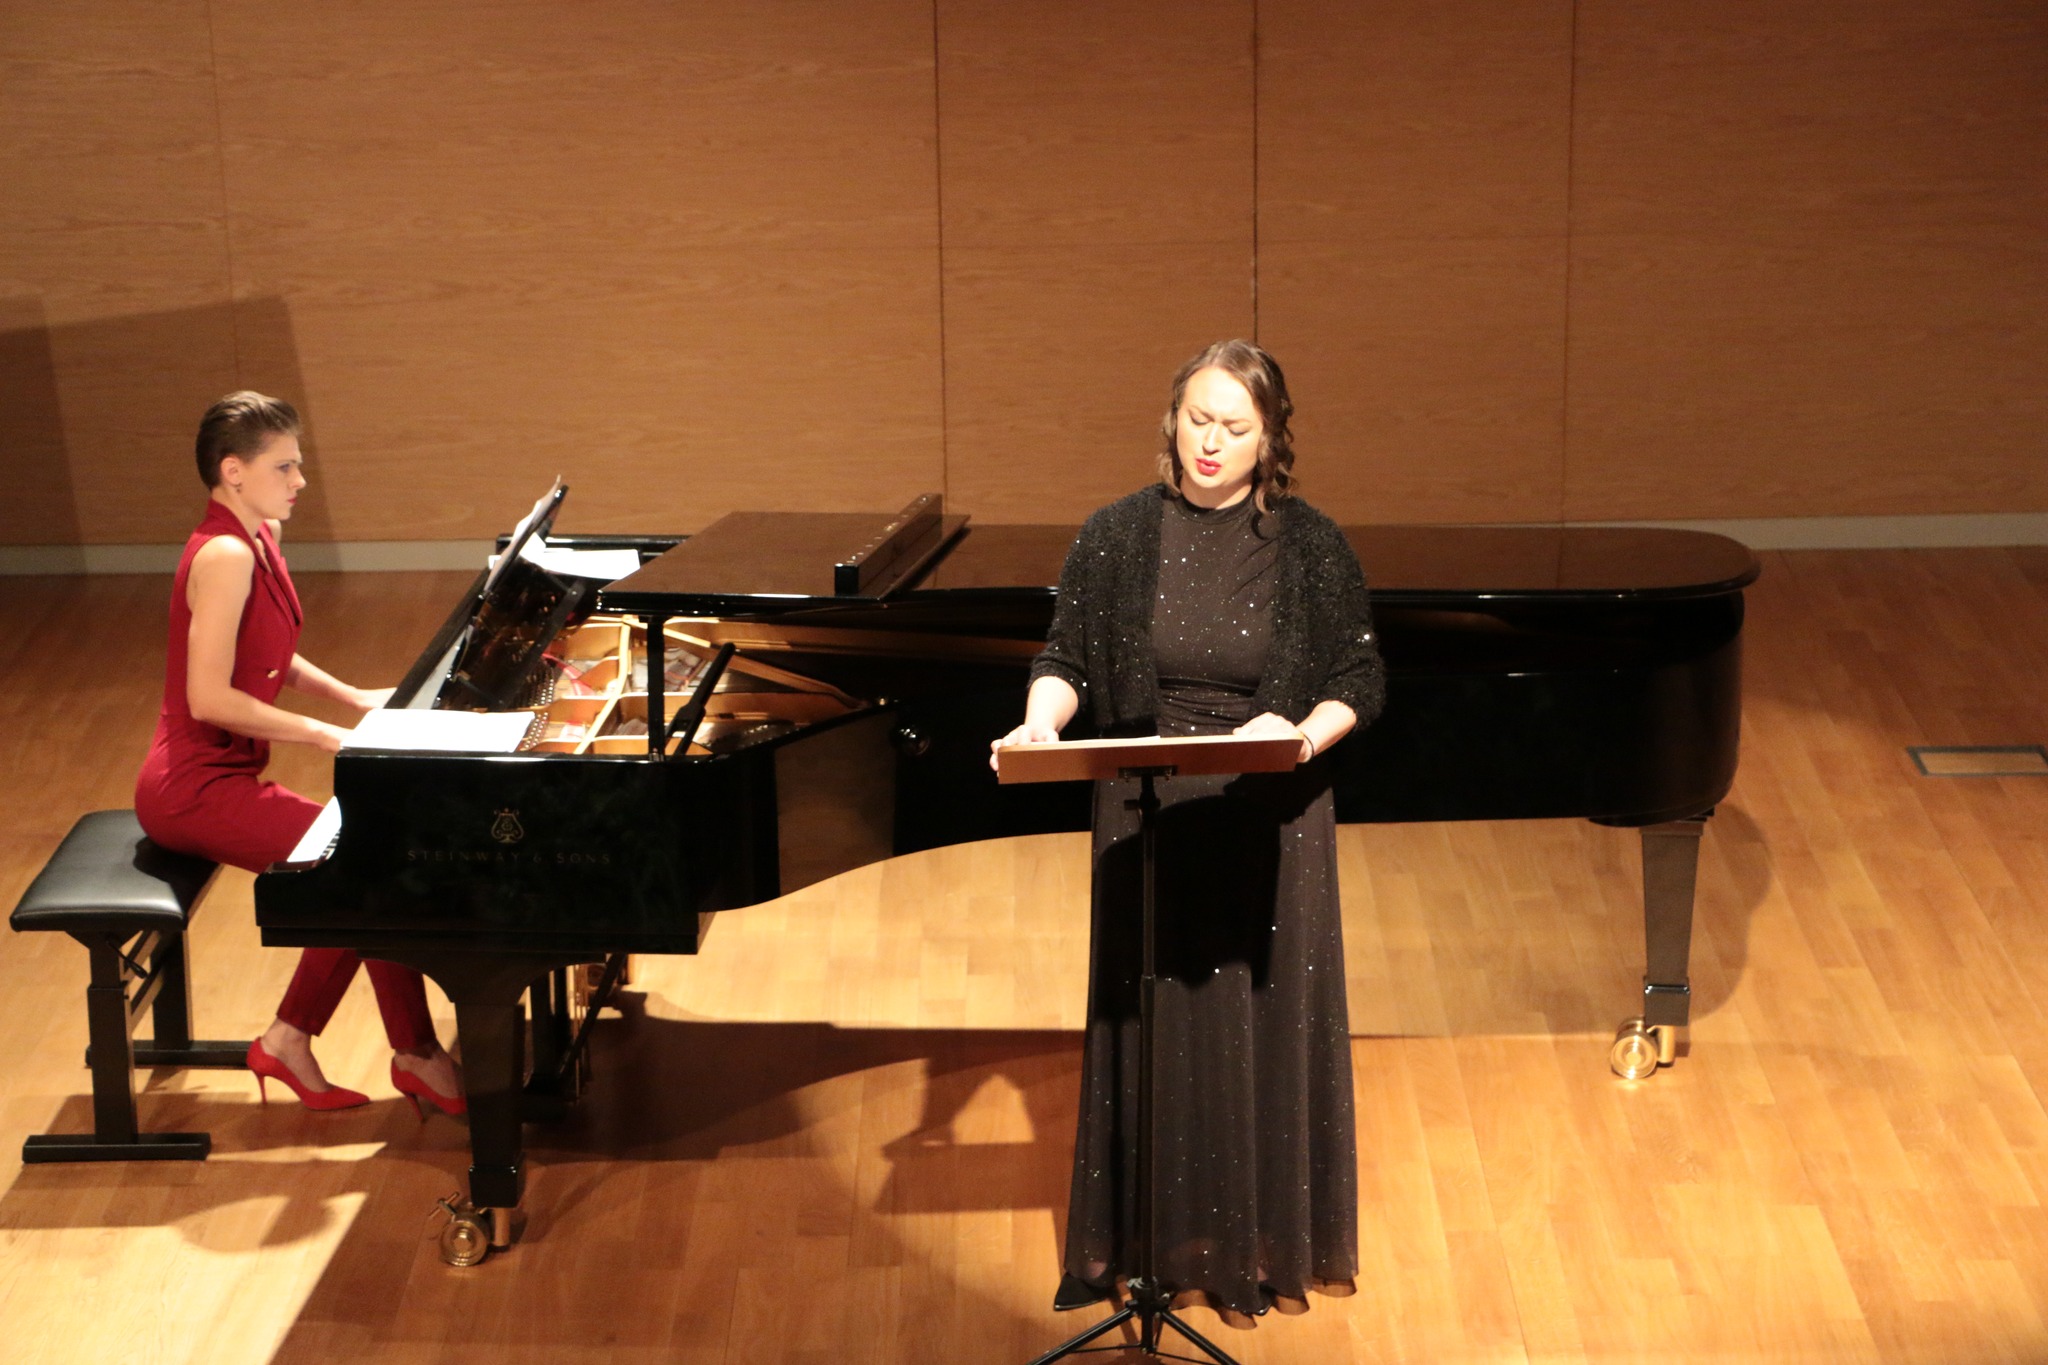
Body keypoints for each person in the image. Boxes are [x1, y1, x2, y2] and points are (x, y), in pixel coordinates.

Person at [991, 340, 1385, 1318]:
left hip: (1269, 812)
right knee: (1154, 1025)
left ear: (1269, 441)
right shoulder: (1115, 535)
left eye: (1233, 427)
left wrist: (1297, 735)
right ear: (1171, 421)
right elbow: (1065, 659)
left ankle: (1255, 1241)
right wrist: (1042, 720)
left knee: (1258, 1023)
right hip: (1147, 805)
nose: (1210, 442)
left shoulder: (1310, 544)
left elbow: (1357, 679)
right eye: (1197, 420)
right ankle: (1147, 1244)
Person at [135, 392, 464, 1117]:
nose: (300, 480)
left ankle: (300, 1041)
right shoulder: (225, 554)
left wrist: (351, 696)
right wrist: (322, 734)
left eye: (298, 464)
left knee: (365, 860)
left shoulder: (260, 536)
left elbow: (267, 652)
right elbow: (207, 699)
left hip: (224, 775)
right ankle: (404, 1053)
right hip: (189, 788)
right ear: (233, 471)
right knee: (363, 863)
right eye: (284, 466)